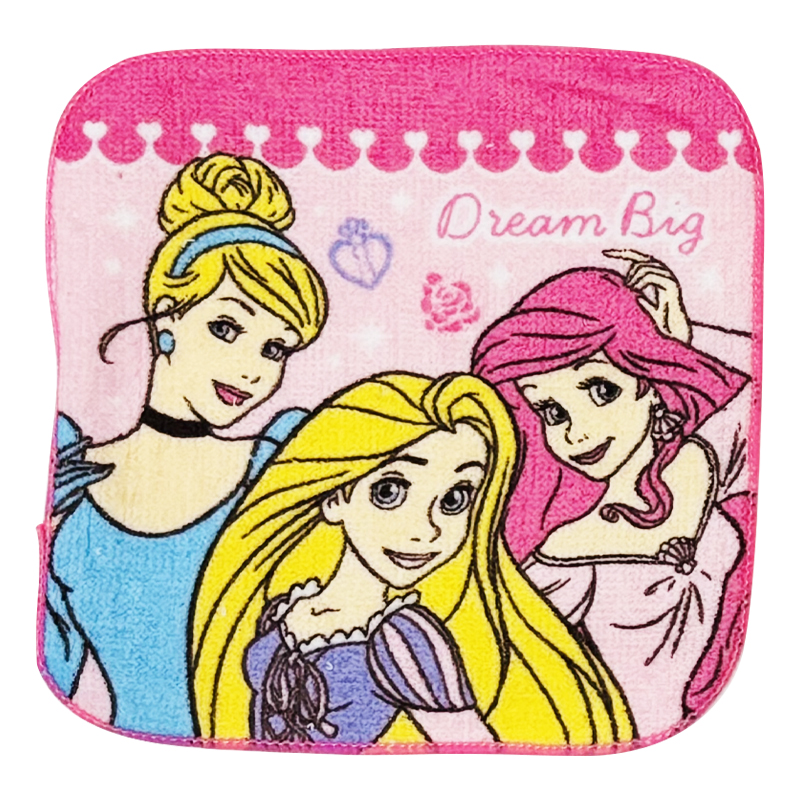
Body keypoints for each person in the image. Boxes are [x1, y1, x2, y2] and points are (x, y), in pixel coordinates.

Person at [44, 154, 328, 737]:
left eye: (275, 349)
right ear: (165, 319)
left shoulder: (280, 462)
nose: (251, 370)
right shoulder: (74, 482)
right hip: (125, 755)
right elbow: (54, 667)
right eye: (226, 329)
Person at [192, 373, 634, 747]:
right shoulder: (287, 605)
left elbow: (470, 751)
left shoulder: (408, 640)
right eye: (390, 491)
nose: (426, 529)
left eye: (456, 500)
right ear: (337, 496)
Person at [471, 252, 750, 738]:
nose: (577, 432)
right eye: (552, 412)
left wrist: (682, 337)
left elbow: (770, 393)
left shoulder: (704, 455)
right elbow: (501, 666)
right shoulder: (561, 555)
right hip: (633, 738)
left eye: (601, 391)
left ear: (649, 377)